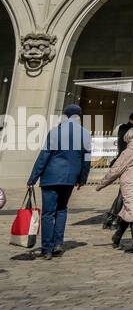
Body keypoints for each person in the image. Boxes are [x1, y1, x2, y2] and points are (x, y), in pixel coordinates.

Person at [26, 104, 92, 259]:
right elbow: (87, 159)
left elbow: (44, 156)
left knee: (48, 213)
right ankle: (58, 244)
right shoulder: (85, 134)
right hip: (70, 178)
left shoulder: (56, 132)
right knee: (62, 210)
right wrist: (82, 178)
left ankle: (47, 248)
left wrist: (33, 177)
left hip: (51, 176)